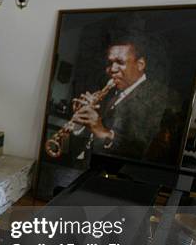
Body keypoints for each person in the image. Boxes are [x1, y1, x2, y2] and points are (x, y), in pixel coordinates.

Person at [72, 35, 184, 164]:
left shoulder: (160, 96)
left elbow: (146, 151)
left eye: (120, 62)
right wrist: (80, 122)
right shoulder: (110, 94)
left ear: (140, 64)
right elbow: (93, 137)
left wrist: (102, 131)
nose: (112, 69)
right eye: (109, 63)